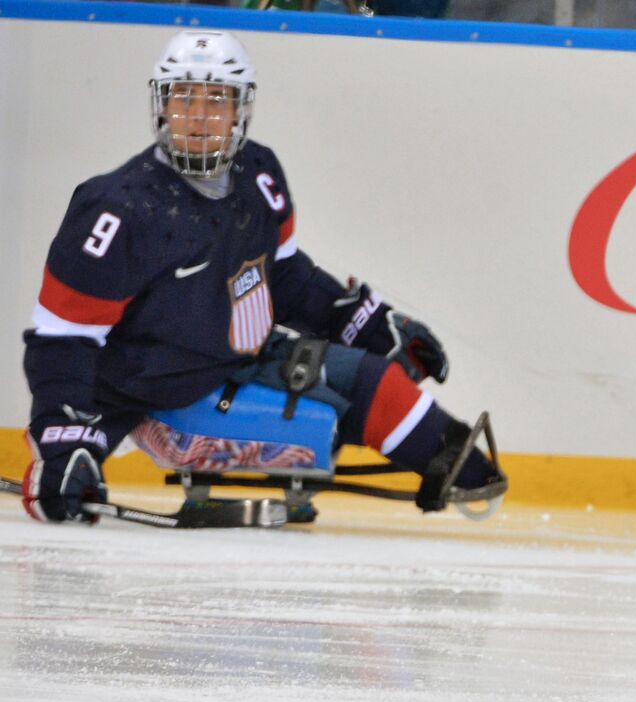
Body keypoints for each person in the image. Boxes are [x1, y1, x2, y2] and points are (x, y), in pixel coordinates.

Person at [21, 30, 500, 525]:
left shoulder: (260, 173)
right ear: (162, 105)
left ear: (241, 109)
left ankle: (470, 472)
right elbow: (63, 340)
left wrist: (365, 321)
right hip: (154, 396)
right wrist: (65, 445)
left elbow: (285, 276)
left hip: (237, 360)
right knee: (323, 422)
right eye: (185, 97)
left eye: (217, 99)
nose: (201, 116)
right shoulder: (116, 208)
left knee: (376, 381)